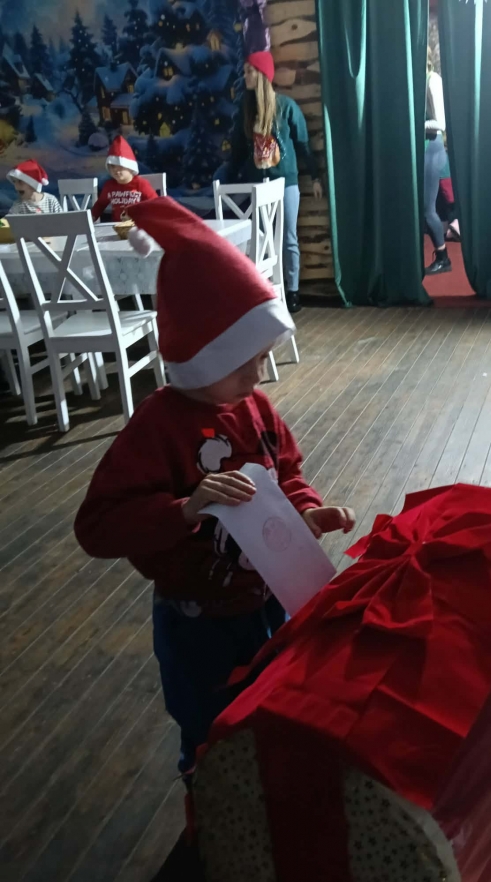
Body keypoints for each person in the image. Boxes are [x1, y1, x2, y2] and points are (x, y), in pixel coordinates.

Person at [74, 197, 356, 774]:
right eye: (244, 361)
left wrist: (306, 512)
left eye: (263, 357)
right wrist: (184, 509)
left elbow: (287, 471)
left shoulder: (255, 408)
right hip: (196, 623)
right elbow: (97, 528)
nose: (259, 374)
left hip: (270, 602)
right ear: (203, 356)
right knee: (210, 736)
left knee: (276, 711)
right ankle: (210, 810)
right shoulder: (157, 426)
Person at [225, 50, 322, 314]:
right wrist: (227, 180)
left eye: (249, 71)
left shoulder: (286, 107)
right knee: (262, 238)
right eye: (245, 71)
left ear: (262, 74)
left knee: (288, 237)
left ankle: (293, 291)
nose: (245, 76)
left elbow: (303, 144)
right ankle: (266, 290)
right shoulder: (246, 112)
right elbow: (237, 152)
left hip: (285, 183)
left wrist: (315, 176)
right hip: (257, 186)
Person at [424, 49, 452, 276]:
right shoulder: (416, 81)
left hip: (431, 149)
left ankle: (443, 258)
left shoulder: (433, 80)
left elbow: (440, 124)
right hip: (421, 149)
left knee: (427, 209)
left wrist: (413, 122)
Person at [91, 136, 157, 222]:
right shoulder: (109, 186)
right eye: (112, 167)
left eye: (120, 166)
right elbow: (100, 204)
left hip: (138, 224)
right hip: (117, 226)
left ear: (130, 167)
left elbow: (154, 203)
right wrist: (92, 217)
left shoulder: (141, 184)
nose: (116, 170)